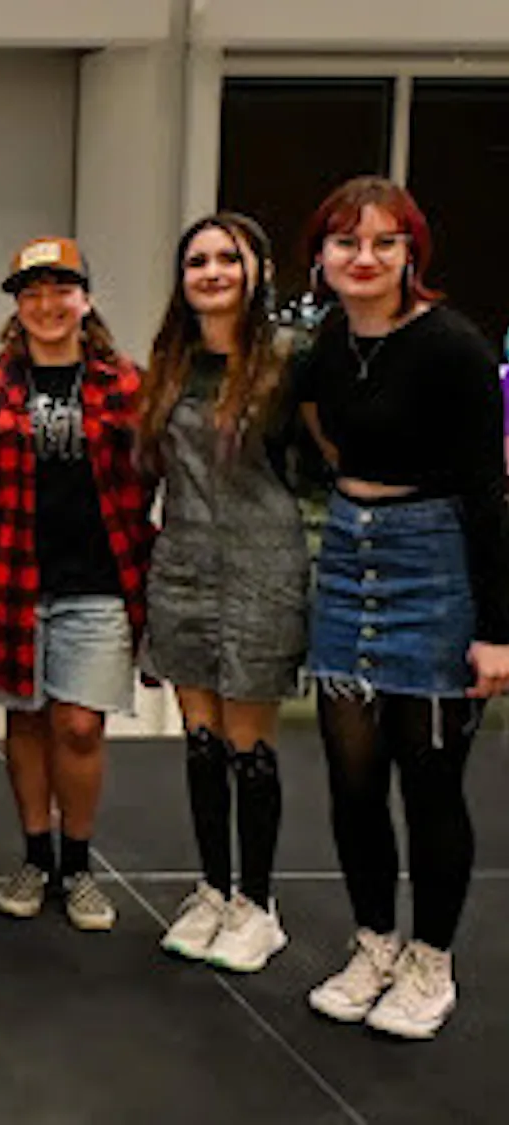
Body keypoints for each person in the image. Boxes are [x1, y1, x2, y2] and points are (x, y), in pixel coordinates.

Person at [297, 176, 509, 1040]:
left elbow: (490, 490)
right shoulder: (330, 342)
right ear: (322, 256)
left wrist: (497, 628)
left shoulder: (453, 346)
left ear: (411, 252)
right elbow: (310, 425)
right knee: (352, 778)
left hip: (434, 556)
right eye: (348, 242)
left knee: (428, 782)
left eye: (385, 242)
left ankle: (431, 961)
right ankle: (374, 943)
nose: (365, 257)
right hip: (348, 550)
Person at [0, 237, 153, 932]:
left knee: (79, 726)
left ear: (85, 299)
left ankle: (78, 862)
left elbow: (166, 474)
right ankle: (34, 855)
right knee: (23, 719)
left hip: (100, 582)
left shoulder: (127, 385)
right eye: (32, 293)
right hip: (6, 583)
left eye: (61, 290)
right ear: (16, 306)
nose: (47, 305)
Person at [136, 213, 308, 972]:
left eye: (226, 259)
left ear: (256, 270)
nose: (211, 272)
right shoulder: (170, 362)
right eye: (197, 260)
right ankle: (212, 887)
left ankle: (256, 903)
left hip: (262, 562)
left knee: (249, 745)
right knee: (200, 742)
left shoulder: (286, 359)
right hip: (183, 562)